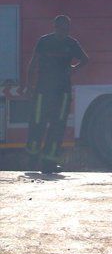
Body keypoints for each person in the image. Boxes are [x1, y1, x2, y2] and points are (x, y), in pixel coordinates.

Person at [24, 15, 89, 173]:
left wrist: (73, 68)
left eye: (66, 29)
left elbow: (85, 60)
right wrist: (29, 86)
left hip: (62, 93)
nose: (63, 32)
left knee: (57, 128)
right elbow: (33, 62)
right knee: (37, 125)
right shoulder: (44, 41)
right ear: (54, 27)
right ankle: (32, 161)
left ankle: (49, 163)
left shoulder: (71, 43)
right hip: (42, 91)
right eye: (60, 28)